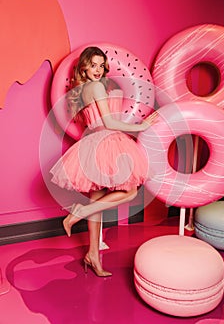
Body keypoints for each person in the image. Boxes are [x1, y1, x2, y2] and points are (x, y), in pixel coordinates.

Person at [50, 46, 158, 277]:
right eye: (93, 65)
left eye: (101, 65)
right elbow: (108, 122)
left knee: (97, 200)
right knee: (129, 192)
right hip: (107, 141)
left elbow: (94, 122)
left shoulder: (83, 89)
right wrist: (141, 126)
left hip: (92, 144)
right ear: (84, 67)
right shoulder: (98, 87)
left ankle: (93, 256)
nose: (98, 70)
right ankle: (78, 212)